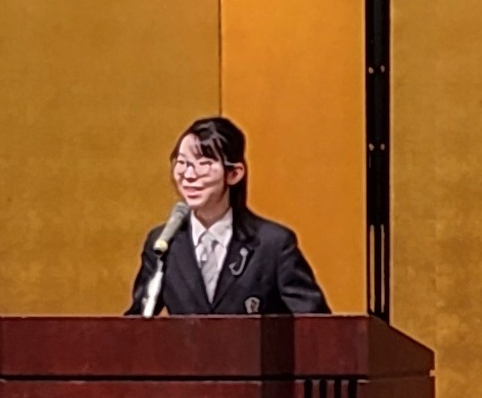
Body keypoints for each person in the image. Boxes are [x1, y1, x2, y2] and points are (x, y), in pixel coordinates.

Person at [125, 115, 330, 317]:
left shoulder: (273, 245)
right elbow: (137, 323)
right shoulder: (163, 244)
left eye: (203, 163)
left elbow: (316, 325)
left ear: (234, 174)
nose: (188, 175)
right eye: (182, 162)